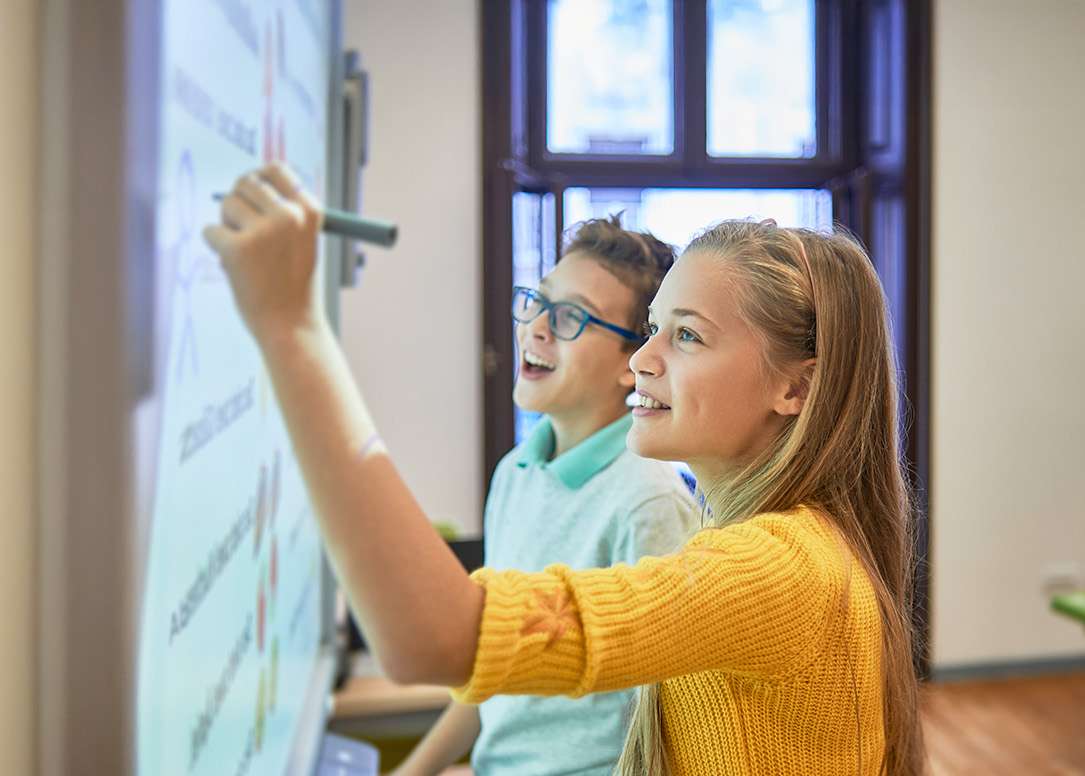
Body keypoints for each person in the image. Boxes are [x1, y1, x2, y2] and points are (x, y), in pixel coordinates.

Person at [204, 163, 927, 775]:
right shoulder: (775, 544)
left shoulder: (773, 570)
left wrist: (290, 328)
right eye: (652, 331)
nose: (643, 362)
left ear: (794, 388)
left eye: (686, 337)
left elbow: (433, 637)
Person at [393, 217, 698, 776]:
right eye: (539, 302)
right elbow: (492, 664)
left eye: (570, 317)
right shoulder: (516, 471)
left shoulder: (648, 502)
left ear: (634, 364)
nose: (536, 328)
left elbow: (669, 726)